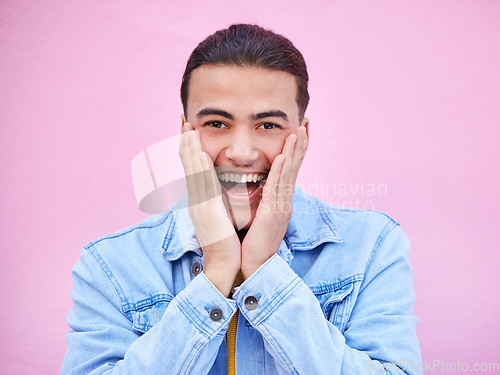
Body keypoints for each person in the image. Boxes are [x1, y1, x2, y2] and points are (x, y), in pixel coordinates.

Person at [61, 24, 422, 374]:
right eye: (217, 123)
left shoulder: (370, 246)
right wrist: (217, 269)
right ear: (185, 134)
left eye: (268, 125)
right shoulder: (109, 265)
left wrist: (265, 269)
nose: (242, 152)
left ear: (302, 136)